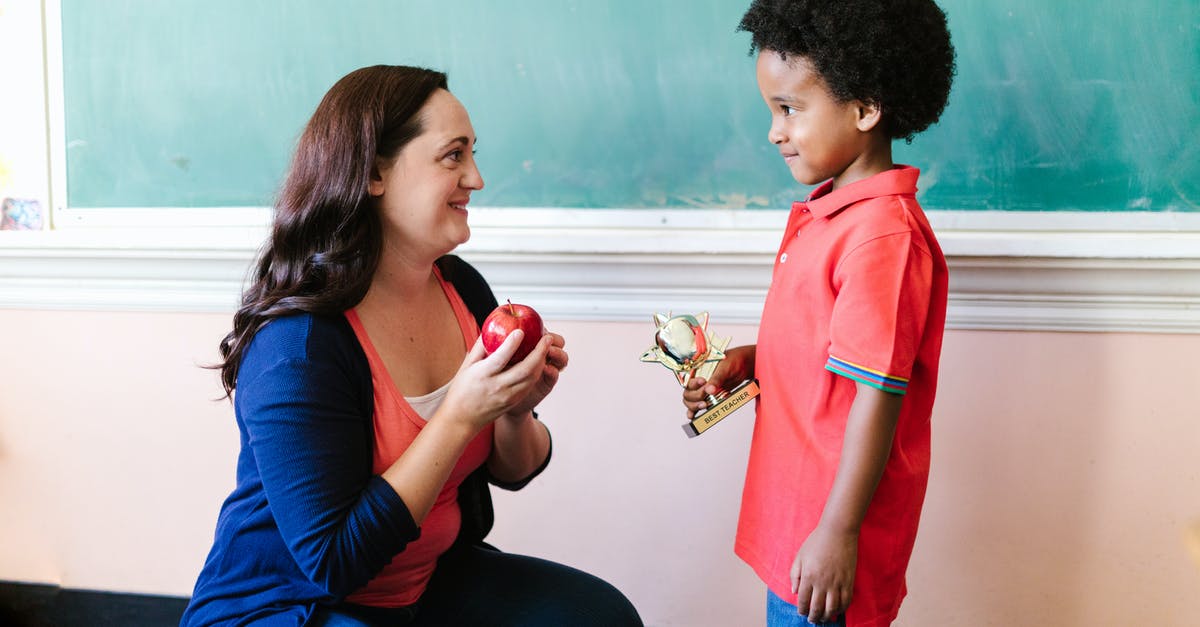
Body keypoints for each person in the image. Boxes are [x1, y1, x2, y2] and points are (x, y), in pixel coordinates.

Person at [181, 65, 642, 627]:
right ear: (375, 173)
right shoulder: (296, 346)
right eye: (453, 155)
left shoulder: (462, 288)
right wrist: (459, 416)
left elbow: (514, 470)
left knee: (601, 618)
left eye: (472, 154)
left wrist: (514, 412)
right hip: (297, 604)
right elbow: (333, 562)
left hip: (423, 584)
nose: (476, 178)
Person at [681, 2, 955, 626]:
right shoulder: (832, 214)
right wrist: (751, 361)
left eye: (789, 109)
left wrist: (838, 532)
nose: (774, 132)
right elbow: (825, 352)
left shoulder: (880, 237)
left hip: (826, 547)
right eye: (771, 111)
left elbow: (878, 394)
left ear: (864, 109)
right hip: (796, 525)